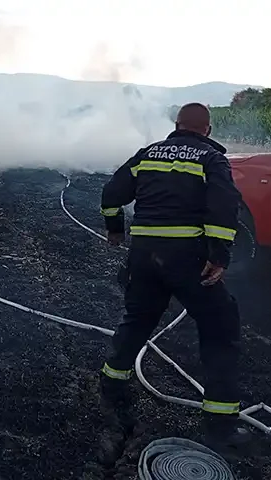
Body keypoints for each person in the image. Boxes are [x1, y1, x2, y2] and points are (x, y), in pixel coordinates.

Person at [97, 102, 250, 449]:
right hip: (187, 259)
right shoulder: (211, 158)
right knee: (220, 328)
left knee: (137, 318)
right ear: (207, 130)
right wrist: (218, 255)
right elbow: (224, 207)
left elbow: (111, 194)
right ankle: (221, 422)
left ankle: (112, 382)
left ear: (177, 125)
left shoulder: (148, 154)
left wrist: (114, 229)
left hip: (144, 255)